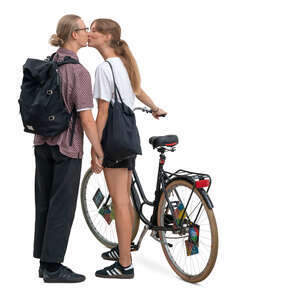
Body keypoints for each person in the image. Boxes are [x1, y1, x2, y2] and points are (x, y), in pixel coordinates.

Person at [88, 18, 167, 279]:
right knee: (125, 198)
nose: (89, 33)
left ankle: (125, 264)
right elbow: (137, 90)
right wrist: (155, 108)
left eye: (95, 30)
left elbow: (102, 112)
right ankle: (125, 247)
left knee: (120, 202)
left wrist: (96, 148)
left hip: (113, 138)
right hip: (128, 137)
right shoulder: (123, 64)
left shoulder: (104, 69)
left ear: (108, 37)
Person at [33, 14, 104, 283]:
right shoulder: (78, 72)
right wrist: (97, 149)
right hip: (67, 146)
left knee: (44, 203)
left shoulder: (47, 64)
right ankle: (53, 268)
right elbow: (86, 118)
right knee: (62, 206)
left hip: (41, 143)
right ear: (74, 34)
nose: (88, 33)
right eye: (85, 29)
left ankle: (44, 262)